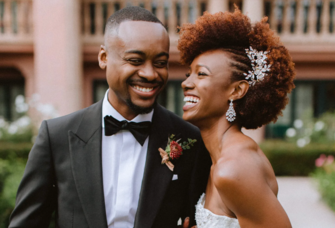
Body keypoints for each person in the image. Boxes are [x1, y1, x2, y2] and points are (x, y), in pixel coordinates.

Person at [9, 6, 211, 228]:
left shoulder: (191, 140)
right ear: (104, 57)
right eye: (135, 60)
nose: (150, 73)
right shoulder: (56, 137)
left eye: (160, 63)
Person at [177, 10, 295, 228]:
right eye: (189, 74)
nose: (186, 83)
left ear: (237, 90)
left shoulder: (233, 168)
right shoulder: (220, 159)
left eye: (201, 74)